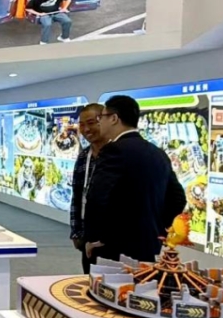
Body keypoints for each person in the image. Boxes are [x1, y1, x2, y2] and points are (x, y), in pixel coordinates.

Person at [83, 95, 187, 266]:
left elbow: (97, 197)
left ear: (114, 118)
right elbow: (178, 199)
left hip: (114, 248)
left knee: (107, 283)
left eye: (102, 117)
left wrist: (94, 238)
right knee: (143, 282)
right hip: (149, 246)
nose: (100, 122)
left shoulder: (114, 150)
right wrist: (157, 229)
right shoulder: (158, 153)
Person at [68, 103, 107, 273]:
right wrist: (76, 231)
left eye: (91, 123)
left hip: (113, 237)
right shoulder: (84, 156)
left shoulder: (117, 155)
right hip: (88, 234)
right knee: (90, 280)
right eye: (82, 124)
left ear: (105, 121)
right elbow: (77, 195)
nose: (86, 129)